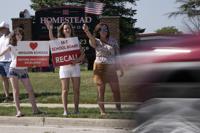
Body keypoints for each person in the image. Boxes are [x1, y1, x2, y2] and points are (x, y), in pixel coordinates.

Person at [45, 20, 85, 116]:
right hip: (64, 68)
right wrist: (50, 29)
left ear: (71, 29)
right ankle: (65, 110)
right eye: (65, 28)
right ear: (62, 30)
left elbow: (82, 55)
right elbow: (51, 39)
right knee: (65, 90)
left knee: (76, 90)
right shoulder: (59, 41)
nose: (67, 30)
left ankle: (76, 110)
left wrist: (77, 60)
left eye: (68, 28)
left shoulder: (75, 40)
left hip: (75, 67)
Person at [83, 23, 124, 115]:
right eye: (102, 29)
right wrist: (87, 31)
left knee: (116, 89)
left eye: (106, 29)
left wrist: (120, 67)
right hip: (100, 67)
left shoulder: (113, 40)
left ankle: (119, 109)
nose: (104, 31)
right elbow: (91, 39)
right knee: (101, 90)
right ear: (98, 31)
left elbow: (117, 55)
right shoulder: (96, 41)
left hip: (112, 67)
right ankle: (102, 111)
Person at [0, 27, 42, 117]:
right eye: (18, 34)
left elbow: (31, 57)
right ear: (14, 36)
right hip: (13, 70)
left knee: (30, 90)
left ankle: (35, 110)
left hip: (23, 70)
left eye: (21, 34)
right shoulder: (11, 46)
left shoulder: (26, 45)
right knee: (16, 91)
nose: (20, 36)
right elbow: (2, 53)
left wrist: (33, 63)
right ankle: (18, 111)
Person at [0, 21, 12, 102]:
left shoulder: (11, 37)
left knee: (12, 79)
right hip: (1, 61)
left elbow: (11, 48)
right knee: (3, 79)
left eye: (3, 28)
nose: (1, 30)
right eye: (1, 28)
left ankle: (15, 96)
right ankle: (7, 96)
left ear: (7, 28)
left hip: (9, 61)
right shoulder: (1, 38)